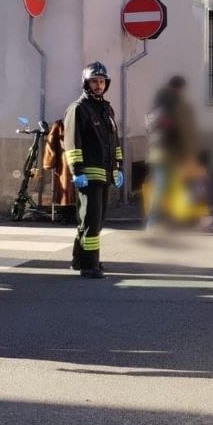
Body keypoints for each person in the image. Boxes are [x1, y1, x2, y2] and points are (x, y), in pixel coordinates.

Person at [63, 61, 123, 279]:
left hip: (105, 174)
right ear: (85, 83)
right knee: (89, 220)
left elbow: (114, 141)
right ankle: (90, 266)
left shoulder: (106, 109)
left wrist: (118, 166)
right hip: (87, 175)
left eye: (101, 81)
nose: (99, 85)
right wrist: (77, 171)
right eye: (94, 82)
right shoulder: (78, 109)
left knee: (95, 220)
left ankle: (79, 260)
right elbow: (72, 143)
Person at [143, 75, 199, 231]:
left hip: (159, 154)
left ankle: (159, 221)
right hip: (171, 155)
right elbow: (185, 132)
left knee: (163, 188)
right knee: (167, 188)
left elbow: (149, 128)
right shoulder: (176, 106)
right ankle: (157, 221)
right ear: (179, 89)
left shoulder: (158, 105)